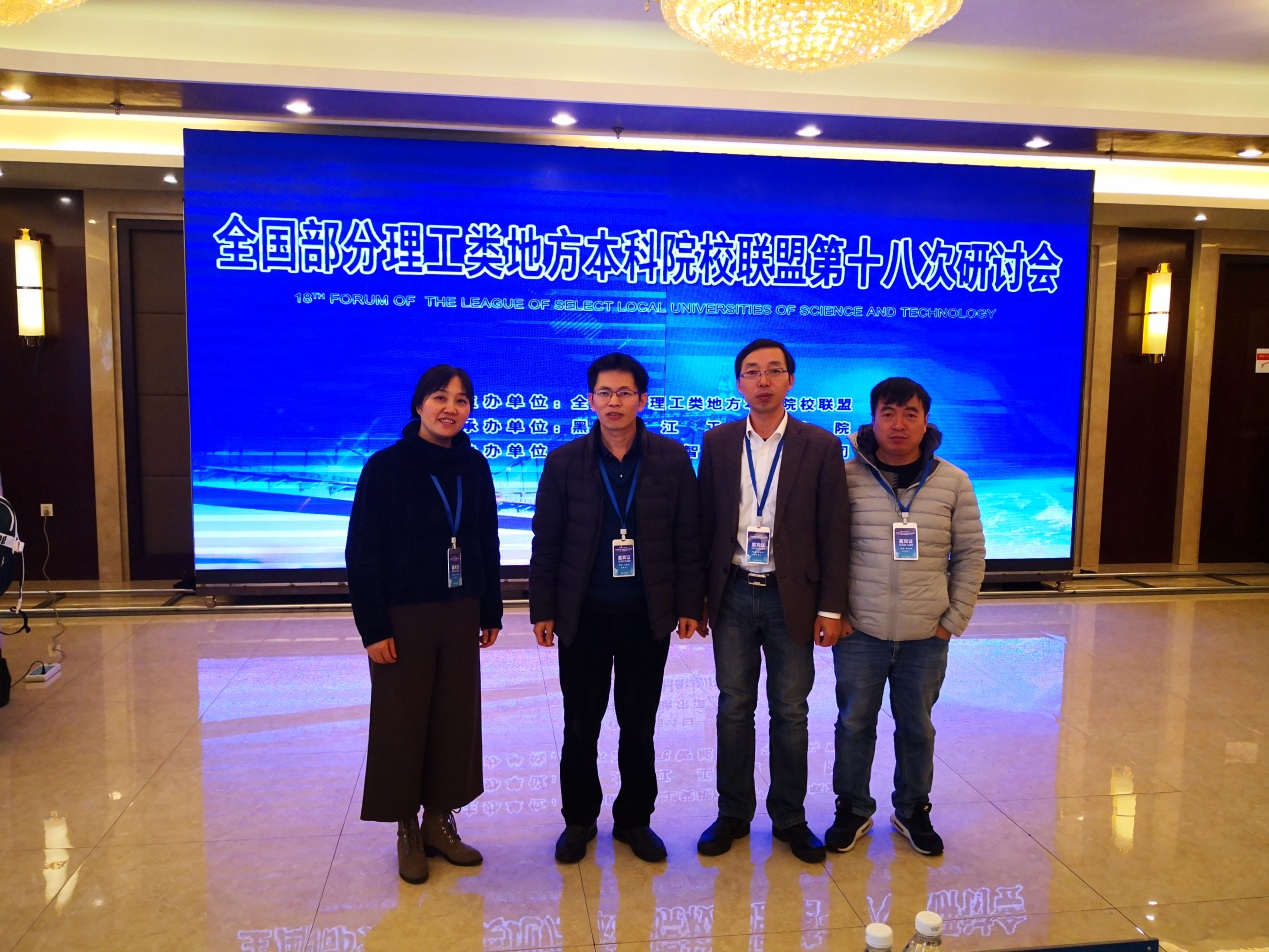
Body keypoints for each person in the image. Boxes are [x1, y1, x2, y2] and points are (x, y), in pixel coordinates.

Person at [530, 352, 705, 865]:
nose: (614, 402)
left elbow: (688, 537)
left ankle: (634, 820)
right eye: (604, 393)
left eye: (624, 393)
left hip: (646, 615)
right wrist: (543, 607)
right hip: (582, 615)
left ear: (642, 400)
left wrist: (689, 603)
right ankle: (579, 819)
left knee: (639, 723)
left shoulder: (671, 458)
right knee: (580, 724)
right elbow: (547, 540)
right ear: (591, 400)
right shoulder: (565, 461)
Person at [345, 365, 503, 885]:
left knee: (455, 718)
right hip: (403, 616)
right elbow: (362, 552)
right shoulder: (386, 467)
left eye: (461, 400)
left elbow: (485, 539)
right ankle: (407, 829)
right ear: (419, 405)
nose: (450, 408)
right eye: (440, 397)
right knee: (402, 721)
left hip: (460, 610)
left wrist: (491, 608)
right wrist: (373, 628)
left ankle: (439, 821)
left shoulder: (474, 466)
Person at [696, 338, 850, 864]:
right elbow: (704, 525)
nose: (763, 380)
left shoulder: (820, 445)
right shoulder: (717, 442)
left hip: (793, 597)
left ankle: (789, 817)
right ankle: (733, 813)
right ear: (739, 382)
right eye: (752, 371)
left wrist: (831, 607)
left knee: (790, 710)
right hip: (733, 593)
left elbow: (834, 531)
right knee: (734, 707)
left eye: (774, 371)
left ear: (790, 380)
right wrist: (698, 598)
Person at [826, 377, 985, 857]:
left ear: (925, 421)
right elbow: (828, 550)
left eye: (910, 414)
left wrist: (952, 620)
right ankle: (852, 808)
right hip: (860, 630)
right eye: (889, 413)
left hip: (926, 634)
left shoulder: (953, 481)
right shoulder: (845, 477)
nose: (899, 423)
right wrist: (837, 612)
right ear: (872, 419)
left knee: (917, 726)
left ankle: (913, 809)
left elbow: (971, 555)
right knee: (854, 723)